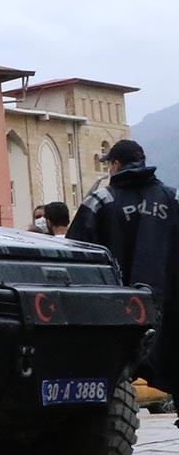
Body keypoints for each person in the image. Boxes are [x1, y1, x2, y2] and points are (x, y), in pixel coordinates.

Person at [69, 139, 178, 391]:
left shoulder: (100, 199)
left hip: (116, 308)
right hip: (167, 303)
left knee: (110, 377)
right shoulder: (172, 197)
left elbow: (77, 250)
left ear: (116, 164)